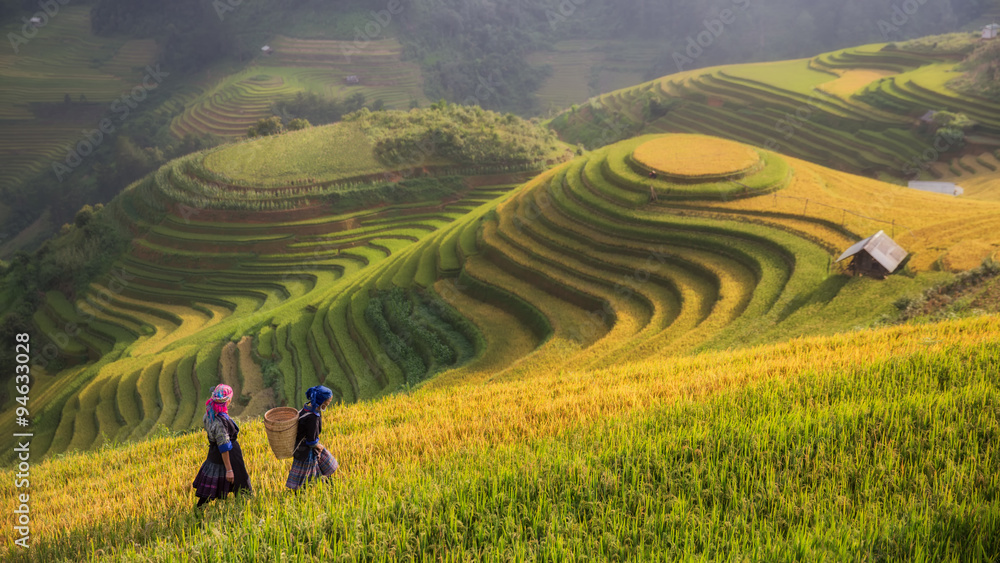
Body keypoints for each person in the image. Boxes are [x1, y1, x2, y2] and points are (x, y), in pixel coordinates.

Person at [191, 384, 253, 507]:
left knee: (214, 480)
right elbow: (224, 446)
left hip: (214, 452)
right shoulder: (219, 421)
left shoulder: (209, 414)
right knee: (239, 479)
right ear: (228, 400)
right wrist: (229, 469)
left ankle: (202, 507)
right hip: (227, 454)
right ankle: (245, 505)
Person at [286, 385, 339, 491]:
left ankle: (330, 489)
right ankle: (303, 493)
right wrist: (319, 446)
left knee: (321, 468)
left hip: (299, 448)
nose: (329, 403)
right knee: (305, 477)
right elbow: (311, 441)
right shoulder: (313, 418)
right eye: (328, 401)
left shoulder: (305, 409)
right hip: (306, 451)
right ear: (322, 401)